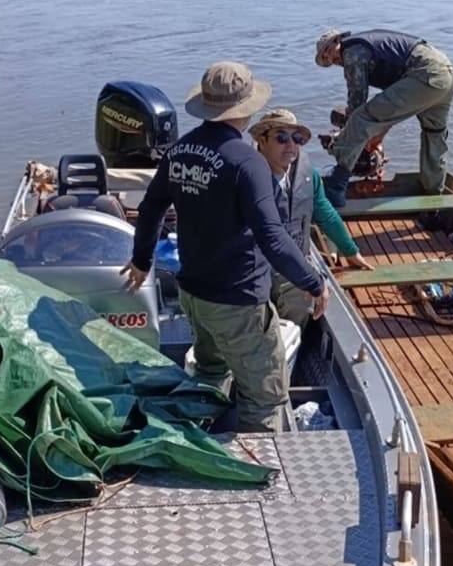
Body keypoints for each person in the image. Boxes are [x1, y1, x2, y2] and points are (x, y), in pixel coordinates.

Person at [119, 62, 329, 433]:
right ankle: (259, 471)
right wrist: (313, 282)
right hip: (237, 302)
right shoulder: (247, 162)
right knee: (265, 394)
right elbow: (273, 235)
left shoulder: (180, 151)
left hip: (194, 295)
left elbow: (151, 206)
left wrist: (141, 260)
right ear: (246, 109)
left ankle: (201, 435)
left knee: (210, 370)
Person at [249, 109, 375, 328]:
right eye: (281, 137)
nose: (291, 145)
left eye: (296, 138)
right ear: (262, 140)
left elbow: (325, 213)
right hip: (256, 266)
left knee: (299, 310)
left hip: (294, 262)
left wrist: (350, 250)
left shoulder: (307, 174)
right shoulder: (244, 174)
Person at [315, 28, 453, 207]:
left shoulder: (351, 51)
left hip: (424, 74)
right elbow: (390, 112)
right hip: (446, 75)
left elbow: (357, 101)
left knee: (360, 117)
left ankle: (337, 185)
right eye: (326, 60)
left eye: (328, 52)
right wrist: (378, 136)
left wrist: (346, 138)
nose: (331, 60)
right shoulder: (377, 48)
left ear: (338, 41)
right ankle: (434, 201)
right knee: (434, 135)